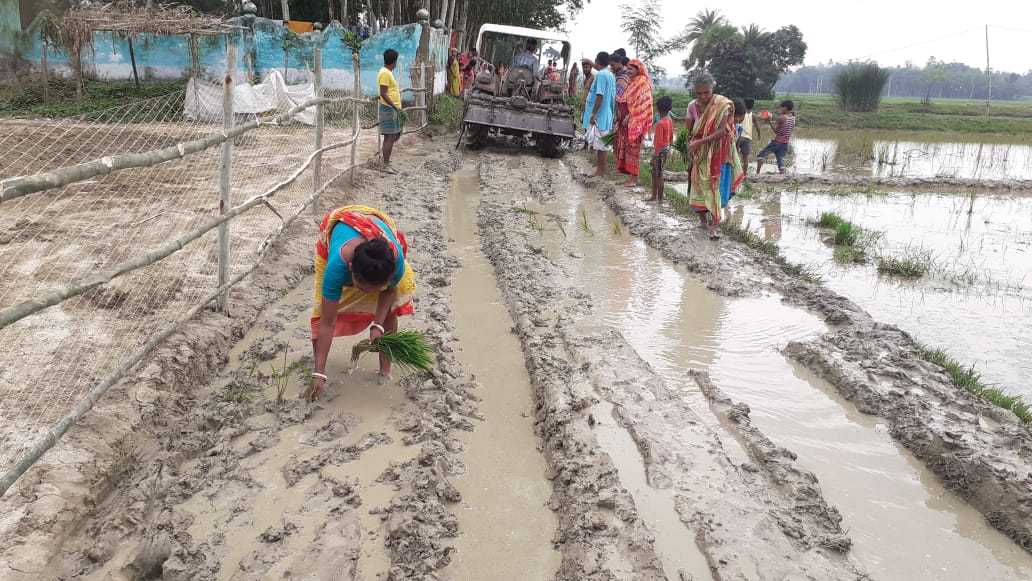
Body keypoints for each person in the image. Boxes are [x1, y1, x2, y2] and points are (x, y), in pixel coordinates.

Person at [308, 205, 416, 401]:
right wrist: (319, 374)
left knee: (391, 311)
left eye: (377, 289)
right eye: (364, 288)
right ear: (350, 270)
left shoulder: (395, 262)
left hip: (377, 225)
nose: (370, 294)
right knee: (321, 312)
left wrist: (378, 325)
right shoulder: (336, 268)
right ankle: (318, 369)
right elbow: (327, 322)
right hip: (340, 226)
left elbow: (390, 291)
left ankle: (385, 372)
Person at [686, 72, 744, 239]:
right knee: (699, 186)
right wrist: (692, 145)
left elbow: (721, 131)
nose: (703, 96)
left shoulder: (722, 105)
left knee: (716, 187)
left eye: (706, 92)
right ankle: (703, 221)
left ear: (713, 89)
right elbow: (690, 130)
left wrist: (700, 142)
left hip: (719, 152)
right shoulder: (691, 106)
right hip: (700, 154)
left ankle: (713, 227)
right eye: (699, 93)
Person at [615, 59, 653, 187]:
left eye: (631, 69)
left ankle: (634, 179)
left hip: (636, 121)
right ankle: (630, 178)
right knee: (627, 148)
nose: (628, 71)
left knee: (633, 149)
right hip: (628, 120)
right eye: (627, 69)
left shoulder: (642, 83)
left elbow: (641, 104)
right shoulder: (632, 82)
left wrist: (630, 116)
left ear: (638, 69)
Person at [583, 51, 616, 177]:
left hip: (600, 115)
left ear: (597, 61)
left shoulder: (601, 75)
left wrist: (593, 114)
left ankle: (600, 172)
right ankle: (599, 171)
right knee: (601, 145)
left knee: (601, 146)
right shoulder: (610, 75)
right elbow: (612, 97)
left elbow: (600, 96)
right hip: (606, 114)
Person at [378, 48, 403, 174]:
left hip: (392, 109)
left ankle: (385, 161)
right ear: (394, 61)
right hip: (388, 109)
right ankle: (385, 164)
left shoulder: (387, 72)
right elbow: (383, 93)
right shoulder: (385, 73)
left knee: (393, 135)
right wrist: (394, 106)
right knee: (390, 136)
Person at [756, 100, 796, 174]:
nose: (781, 108)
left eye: (782, 107)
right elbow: (789, 130)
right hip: (785, 143)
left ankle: (757, 174)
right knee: (781, 162)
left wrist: (769, 122)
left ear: (785, 107)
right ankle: (782, 176)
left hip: (777, 142)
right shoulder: (793, 118)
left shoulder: (781, 118)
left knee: (760, 155)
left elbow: (776, 131)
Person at [649, 95, 674, 204]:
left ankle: (659, 199)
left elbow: (658, 142)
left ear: (658, 109)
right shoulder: (669, 120)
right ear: (670, 108)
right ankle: (654, 197)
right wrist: (669, 149)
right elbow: (671, 136)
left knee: (658, 175)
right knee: (655, 173)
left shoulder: (660, 123)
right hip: (666, 150)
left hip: (660, 152)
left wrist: (654, 156)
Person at [737, 98, 761, 171]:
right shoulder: (753, 115)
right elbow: (758, 127)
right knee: (746, 158)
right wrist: (759, 134)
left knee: (735, 155)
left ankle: (735, 174)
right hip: (748, 138)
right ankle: (744, 174)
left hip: (739, 136)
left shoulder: (741, 113)